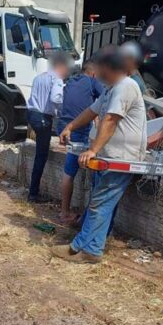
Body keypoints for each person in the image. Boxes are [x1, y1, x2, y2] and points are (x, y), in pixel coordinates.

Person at [53, 52, 147, 263]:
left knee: (99, 203)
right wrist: (70, 126)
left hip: (122, 158)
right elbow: (91, 111)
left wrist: (93, 150)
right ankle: (95, 242)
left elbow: (111, 120)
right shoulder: (111, 89)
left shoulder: (125, 86)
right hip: (110, 156)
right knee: (104, 202)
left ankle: (84, 249)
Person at [56, 60, 103, 224]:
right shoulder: (92, 82)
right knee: (95, 172)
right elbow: (106, 100)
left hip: (64, 129)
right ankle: (84, 218)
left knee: (68, 173)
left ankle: (64, 212)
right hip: (80, 132)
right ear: (94, 73)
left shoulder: (71, 81)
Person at [25, 52, 69, 203]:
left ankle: (33, 190)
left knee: (40, 151)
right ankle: (33, 193)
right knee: (41, 155)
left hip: (32, 114)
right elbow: (56, 98)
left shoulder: (39, 77)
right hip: (43, 118)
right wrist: (63, 108)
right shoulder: (56, 79)